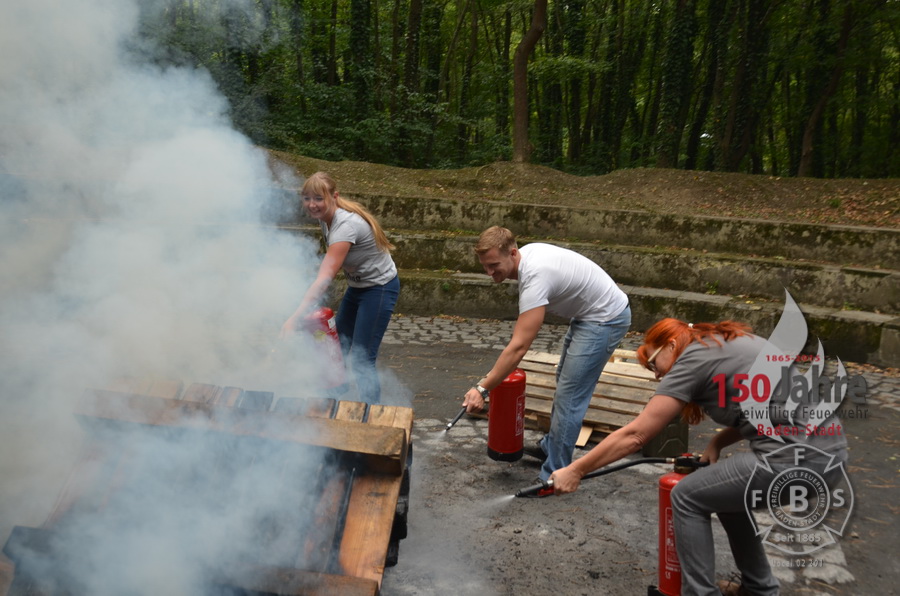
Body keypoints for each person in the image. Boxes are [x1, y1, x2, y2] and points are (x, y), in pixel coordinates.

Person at [550, 318, 849, 596]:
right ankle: (759, 589)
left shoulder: (692, 358)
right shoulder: (723, 343)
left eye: (654, 364)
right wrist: (719, 441)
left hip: (795, 460)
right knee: (726, 497)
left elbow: (636, 436)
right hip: (828, 455)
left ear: (670, 345)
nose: (657, 375)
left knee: (687, 497)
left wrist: (576, 470)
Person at [461, 226, 631, 484]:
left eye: (494, 265)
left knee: (570, 397)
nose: (489, 272)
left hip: (605, 318)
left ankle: (555, 475)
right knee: (566, 382)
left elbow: (518, 347)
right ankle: (552, 447)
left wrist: (483, 388)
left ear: (513, 253)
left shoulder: (536, 275)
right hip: (589, 315)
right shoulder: (527, 261)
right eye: (485, 266)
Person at [281, 172, 400, 403]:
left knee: (363, 358)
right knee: (334, 345)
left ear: (334, 197)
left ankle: (372, 415)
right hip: (358, 288)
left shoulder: (345, 227)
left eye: (318, 198)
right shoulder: (327, 218)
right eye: (307, 198)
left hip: (380, 288)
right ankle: (332, 396)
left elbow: (325, 278)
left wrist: (295, 317)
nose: (312, 205)